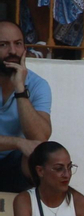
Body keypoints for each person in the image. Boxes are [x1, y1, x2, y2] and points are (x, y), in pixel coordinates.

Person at [0, 23, 52, 194]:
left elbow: (40, 137)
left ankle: (34, 211)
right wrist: (17, 142)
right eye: (3, 45)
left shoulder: (38, 85)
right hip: (14, 149)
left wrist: (20, 90)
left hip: (12, 164)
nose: (12, 51)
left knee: (39, 155)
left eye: (18, 44)